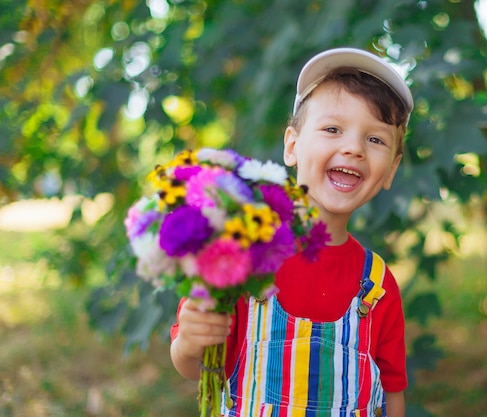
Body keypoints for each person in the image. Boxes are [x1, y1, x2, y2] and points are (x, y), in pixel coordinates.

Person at [170, 47, 413, 417]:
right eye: (332, 129)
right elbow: (196, 367)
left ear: (392, 169)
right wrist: (189, 341)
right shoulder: (241, 255)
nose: (353, 148)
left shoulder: (378, 286)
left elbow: (392, 393)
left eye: (375, 139)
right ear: (292, 145)